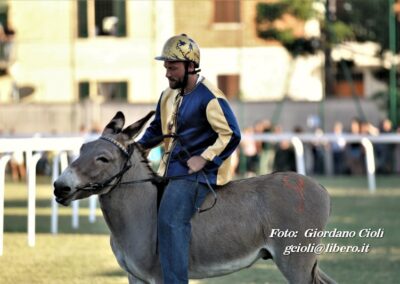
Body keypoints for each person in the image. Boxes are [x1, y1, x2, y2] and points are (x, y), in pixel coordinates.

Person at [138, 34, 241, 283]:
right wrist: (133, 149)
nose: (167, 73)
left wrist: (203, 159)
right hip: (168, 171)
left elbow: (231, 134)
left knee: (171, 220)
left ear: (190, 66)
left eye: (172, 67)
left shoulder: (210, 97)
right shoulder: (167, 95)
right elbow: (156, 130)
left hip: (199, 174)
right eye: (166, 67)